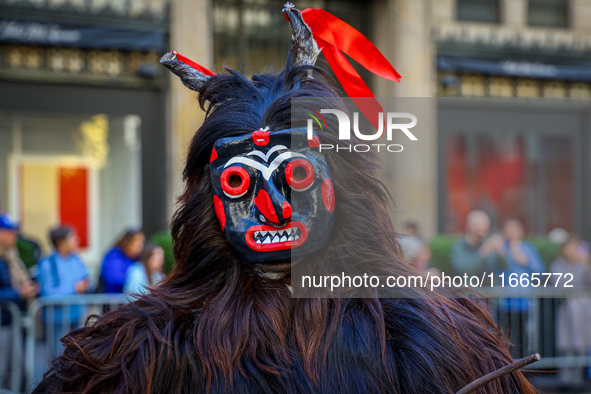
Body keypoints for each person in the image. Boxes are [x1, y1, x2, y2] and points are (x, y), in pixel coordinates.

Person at [34, 6, 536, 393]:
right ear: (210, 201)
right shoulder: (139, 350)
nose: (273, 206)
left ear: (341, 188)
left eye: (296, 177)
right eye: (240, 184)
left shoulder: (430, 337)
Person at [37, 226, 91, 357]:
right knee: (58, 357)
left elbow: (86, 279)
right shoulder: (48, 263)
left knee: (76, 357)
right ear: (61, 243)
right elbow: (48, 293)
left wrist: (87, 284)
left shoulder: (76, 259)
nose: (76, 241)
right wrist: (74, 289)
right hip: (57, 320)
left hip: (77, 316)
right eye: (72, 238)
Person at [0, 213, 38, 388]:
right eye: (9, 231)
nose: (14, 235)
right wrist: (18, 293)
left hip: (11, 320)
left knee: (14, 371)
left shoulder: (10, 256)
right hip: (4, 321)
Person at [550, 235, 591, 386]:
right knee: (567, 346)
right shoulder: (557, 265)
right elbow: (561, 285)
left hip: (584, 310)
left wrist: (586, 265)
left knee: (582, 344)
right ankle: (566, 380)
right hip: (568, 309)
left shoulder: (584, 265)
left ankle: (578, 379)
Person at [451, 210, 506, 277]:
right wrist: (483, 251)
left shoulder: (487, 242)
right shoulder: (459, 246)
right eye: (478, 225)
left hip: (492, 286)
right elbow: (464, 270)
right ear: (468, 226)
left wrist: (500, 252)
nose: (482, 228)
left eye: (485, 224)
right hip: (469, 286)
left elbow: (505, 266)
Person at [99, 229, 145, 293]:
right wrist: (137, 278)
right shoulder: (114, 256)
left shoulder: (137, 258)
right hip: (114, 299)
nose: (141, 247)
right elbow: (114, 278)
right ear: (128, 242)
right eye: (138, 244)